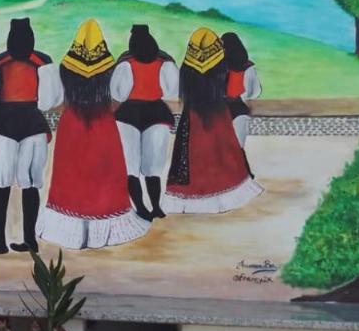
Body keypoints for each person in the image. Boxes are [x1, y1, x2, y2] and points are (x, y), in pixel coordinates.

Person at [36, 19, 151, 250]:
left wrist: (71, 105)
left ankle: (73, 234)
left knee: (72, 176)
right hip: (103, 124)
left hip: (72, 126)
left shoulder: (63, 68)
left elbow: (52, 102)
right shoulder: (113, 69)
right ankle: (101, 234)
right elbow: (119, 98)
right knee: (104, 177)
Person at [0, 18, 61, 255]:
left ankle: (0, 241)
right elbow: (48, 101)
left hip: (3, 123)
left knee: (1, 184)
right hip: (32, 124)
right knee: (30, 184)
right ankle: (29, 240)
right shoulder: (43, 61)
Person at [163, 27, 263, 214]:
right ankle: (219, 197)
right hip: (218, 116)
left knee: (193, 155)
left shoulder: (186, 69)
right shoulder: (221, 69)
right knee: (220, 155)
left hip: (192, 118)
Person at [110, 24, 179, 220]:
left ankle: (140, 207)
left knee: (131, 165)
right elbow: (172, 91)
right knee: (154, 166)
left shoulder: (125, 63)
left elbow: (117, 93)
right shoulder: (165, 62)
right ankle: (156, 206)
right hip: (157, 113)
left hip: (128, 114)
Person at [221, 31, 261, 148]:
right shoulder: (248, 67)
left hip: (220, 110)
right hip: (239, 110)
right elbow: (255, 92)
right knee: (238, 148)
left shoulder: (219, 66)